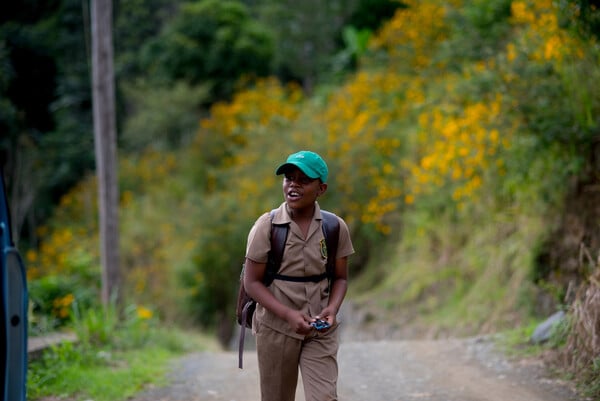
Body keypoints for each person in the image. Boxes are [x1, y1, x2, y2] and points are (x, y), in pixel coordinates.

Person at [244, 150, 355, 401]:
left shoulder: (335, 227)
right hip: (276, 328)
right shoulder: (267, 226)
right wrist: (288, 314)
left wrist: (333, 309)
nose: (293, 184)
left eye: (303, 180)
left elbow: (340, 278)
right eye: (288, 178)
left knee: (325, 397)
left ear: (321, 188)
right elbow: (251, 282)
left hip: (319, 329)